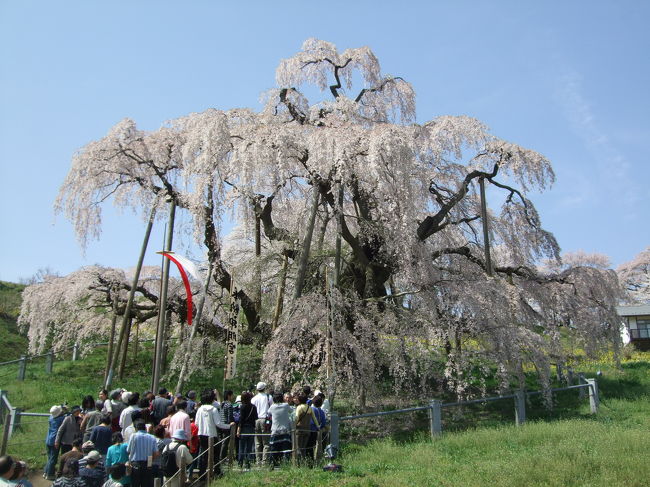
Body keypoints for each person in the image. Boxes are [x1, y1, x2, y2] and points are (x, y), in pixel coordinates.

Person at [195, 390, 233, 479]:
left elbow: (196, 423)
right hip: (212, 434)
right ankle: (217, 472)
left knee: (203, 454)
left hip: (201, 434)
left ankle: (202, 473)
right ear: (212, 399)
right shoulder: (214, 409)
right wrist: (229, 426)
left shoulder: (200, 409)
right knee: (215, 454)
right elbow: (218, 423)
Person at [126, 421, 157, 487]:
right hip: (147, 463)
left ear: (136, 428)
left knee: (135, 484)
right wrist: (150, 461)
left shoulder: (133, 436)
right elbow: (156, 453)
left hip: (135, 464)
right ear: (145, 428)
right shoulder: (152, 437)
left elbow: (128, 450)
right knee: (146, 484)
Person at [268, 392, 292, 467]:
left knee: (274, 449)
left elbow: (268, 413)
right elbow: (292, 411)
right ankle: (286, 464)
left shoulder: (272, 407)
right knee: (286, 449)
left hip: (275, 430)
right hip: (285, 430)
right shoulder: (286, 405)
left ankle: (273, 464)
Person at [251, 382, 273, 463]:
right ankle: (265, 461)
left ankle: (258, 460)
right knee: (266, 442)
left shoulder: (254, 399)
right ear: (264, 388)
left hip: (256, 420)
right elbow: (271, 408)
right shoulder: (268, 397)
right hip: (265, 419)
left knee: (257, 442)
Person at [294, 393, 319, 465]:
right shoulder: (310, 408)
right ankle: (304, 463)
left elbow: (296, 418)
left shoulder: (299, 408)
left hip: (299, 430)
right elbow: (314, 419)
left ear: (299, 400)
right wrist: (318, 427)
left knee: (298, 447)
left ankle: (298, 463)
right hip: (307, 430)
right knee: (304, 448)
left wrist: (293, 426)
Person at [44, 405, 66, 480]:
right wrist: (65, 410)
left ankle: (45, 472)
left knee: (50, 457)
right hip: (55, 440)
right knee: (53, 459)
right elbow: (67, 416)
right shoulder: (61, 419)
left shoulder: (51, 418)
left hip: (48, 439)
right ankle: (50, 474)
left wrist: (60, 408)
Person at [236, 392, 257, 469]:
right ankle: (248, 463)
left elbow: (241, 419)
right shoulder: (253, 407)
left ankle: (240, 463)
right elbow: (256, 417)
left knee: (241, 446)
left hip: (244, 428)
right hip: (251, 428)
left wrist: (238, 429)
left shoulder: (242, 407)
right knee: (249, 447)